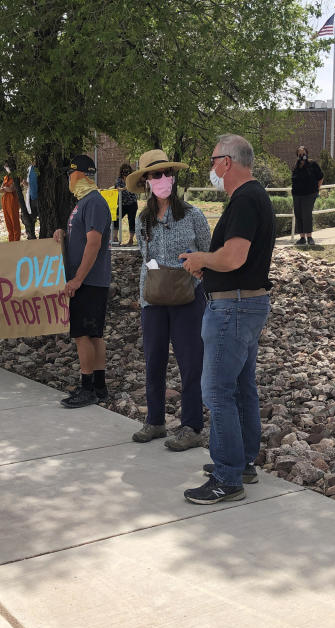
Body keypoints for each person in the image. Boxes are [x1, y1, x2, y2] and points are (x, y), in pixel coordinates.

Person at [179, 134, 275, 504]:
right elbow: (239, 261)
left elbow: (233, 257)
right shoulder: (254, 197)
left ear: (227, 162)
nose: (211, 168)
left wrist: (203, 260)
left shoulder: (245, 199)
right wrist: (208, 267)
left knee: (217, 391)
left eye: (213, 160)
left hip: (232, 309)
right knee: (240, 387)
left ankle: (227, 476)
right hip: (246, 304)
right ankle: (242, 461)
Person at [126, 150, 210, 451]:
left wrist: (193, 274)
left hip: (188, 299)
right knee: (154, 360)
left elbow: (207, 252)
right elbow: (143, 258)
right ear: (146, 181)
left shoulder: (193, 215)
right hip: (154, 301)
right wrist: (153, 282)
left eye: (166, 174)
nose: (162, 180)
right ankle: (156, 421)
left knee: (190, 363)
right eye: (155, 175)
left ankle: (191, 426)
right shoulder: (143, 219)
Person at [53, 155, 112, 409]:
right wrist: (64, 234)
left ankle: (87, 388)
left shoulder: (94, 202)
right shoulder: (84, 203)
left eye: (72, 173)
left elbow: (94, 242)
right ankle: (100, 387)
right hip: (89, 281)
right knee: (93, 334)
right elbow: (82, 236)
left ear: (82, 175)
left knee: (82, 335)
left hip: (89, 281)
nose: (69, 178)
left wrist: (77, 279)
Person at [291, 145, 324, 246]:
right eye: (300, 154)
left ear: (307, 153)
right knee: (299, 214)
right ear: (297, 155)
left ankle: (309, 237)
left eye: (303, 153)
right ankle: (302, 238)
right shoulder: (296, 166)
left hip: (309, 194)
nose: (302, 156)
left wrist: (317, 189)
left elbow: (321, 176)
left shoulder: (312, 164)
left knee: (306, 214)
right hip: (297, 194)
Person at [115, 163, 138, 245]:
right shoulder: (119, 180)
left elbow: (133, 187)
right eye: (124, 171)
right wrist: (122, 189)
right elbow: (117, 188)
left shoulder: (132, 179)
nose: (125, 172)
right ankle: (115, 238)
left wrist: (124, 188)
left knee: (131, 221)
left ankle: (131, 240)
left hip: (132, 204)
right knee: (116, 218)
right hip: (122, 204)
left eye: (127, 171)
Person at [1, 164, 22, 241]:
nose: (6, 168)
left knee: (14, 222)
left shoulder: (16, 176)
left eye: (7, 166)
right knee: (8, 223)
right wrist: (6, 188)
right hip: (5, 201)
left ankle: (16, 241)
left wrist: (5, 188)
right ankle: (11, 242)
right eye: (5, 166)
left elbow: (11, 189)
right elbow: (1, 190)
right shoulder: (6, 177)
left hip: (12, 200)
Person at [24, 162, 39, 240]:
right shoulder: (30, 168)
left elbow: (34, 183)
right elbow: (30, 184)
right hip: (31, 197)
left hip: (37, 198)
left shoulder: (37, 168)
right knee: (30, 220)